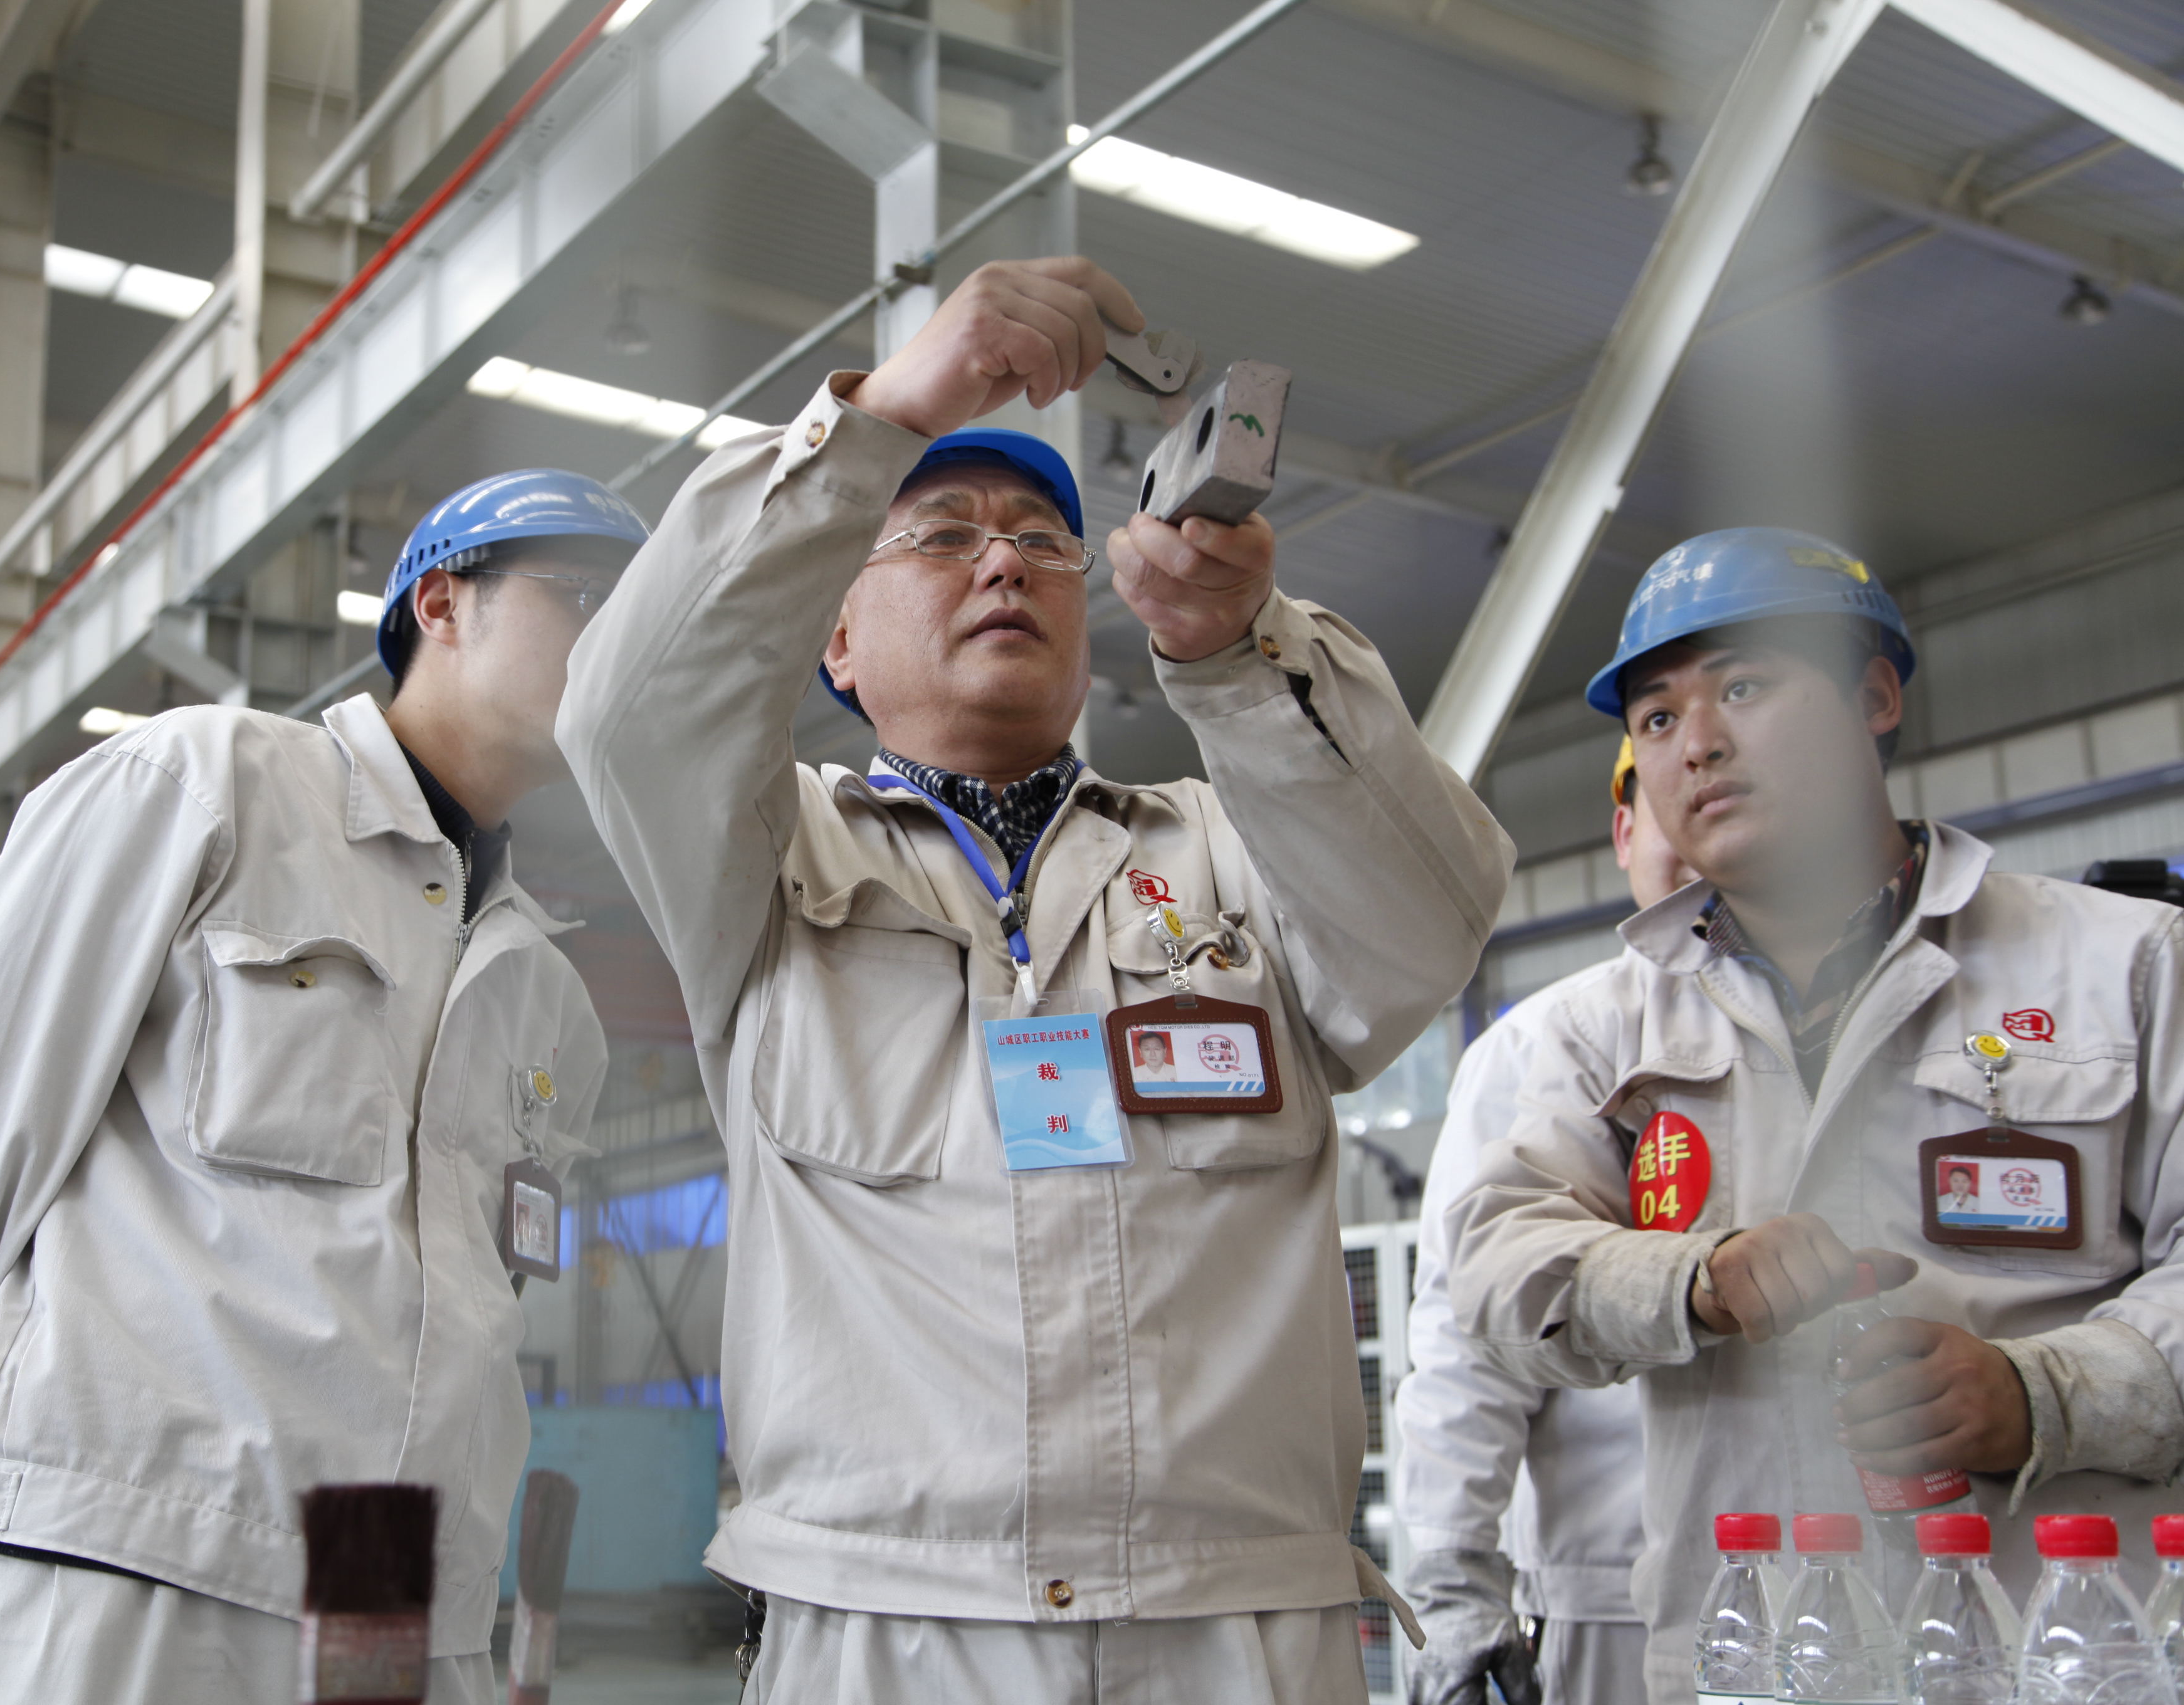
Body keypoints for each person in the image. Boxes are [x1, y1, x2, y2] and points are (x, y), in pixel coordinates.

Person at [558, 256, 1514, 1702]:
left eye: (1044, 544)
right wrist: (885, 414)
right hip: (892, 1631)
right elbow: (631, 711)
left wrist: (1248, 657)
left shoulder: (1234, 848)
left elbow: (1430, 923)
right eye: (942, 534)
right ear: (833, 637)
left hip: (1235, 1633)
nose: (1004, 562)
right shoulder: (764, 865)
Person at [0, 471, 644, 1704]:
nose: (618, 638)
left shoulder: (541, 992)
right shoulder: (206, 787)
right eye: (586, 594)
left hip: (388, 1592)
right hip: (118, 1557)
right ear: (442, 603)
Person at [1444, 527, 2184, 1697]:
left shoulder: (2128, 968)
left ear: (1875, 696)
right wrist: (1692, 1279)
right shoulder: (1598, 1033)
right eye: (1657, 718)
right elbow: (1494, 1273)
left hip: (2064, 1650)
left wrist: (2041, 1393)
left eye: (1744, 686)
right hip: (1751, 1650)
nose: (1700, 742)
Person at [1397, 737, 1693, 1705]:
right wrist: (1453, 1575)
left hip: (1859, 1567)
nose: (1692, 825)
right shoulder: (1543, 1047)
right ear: (1624, 833)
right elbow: (1468, 1339)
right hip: (1612, 1591)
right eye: (1662, 803)